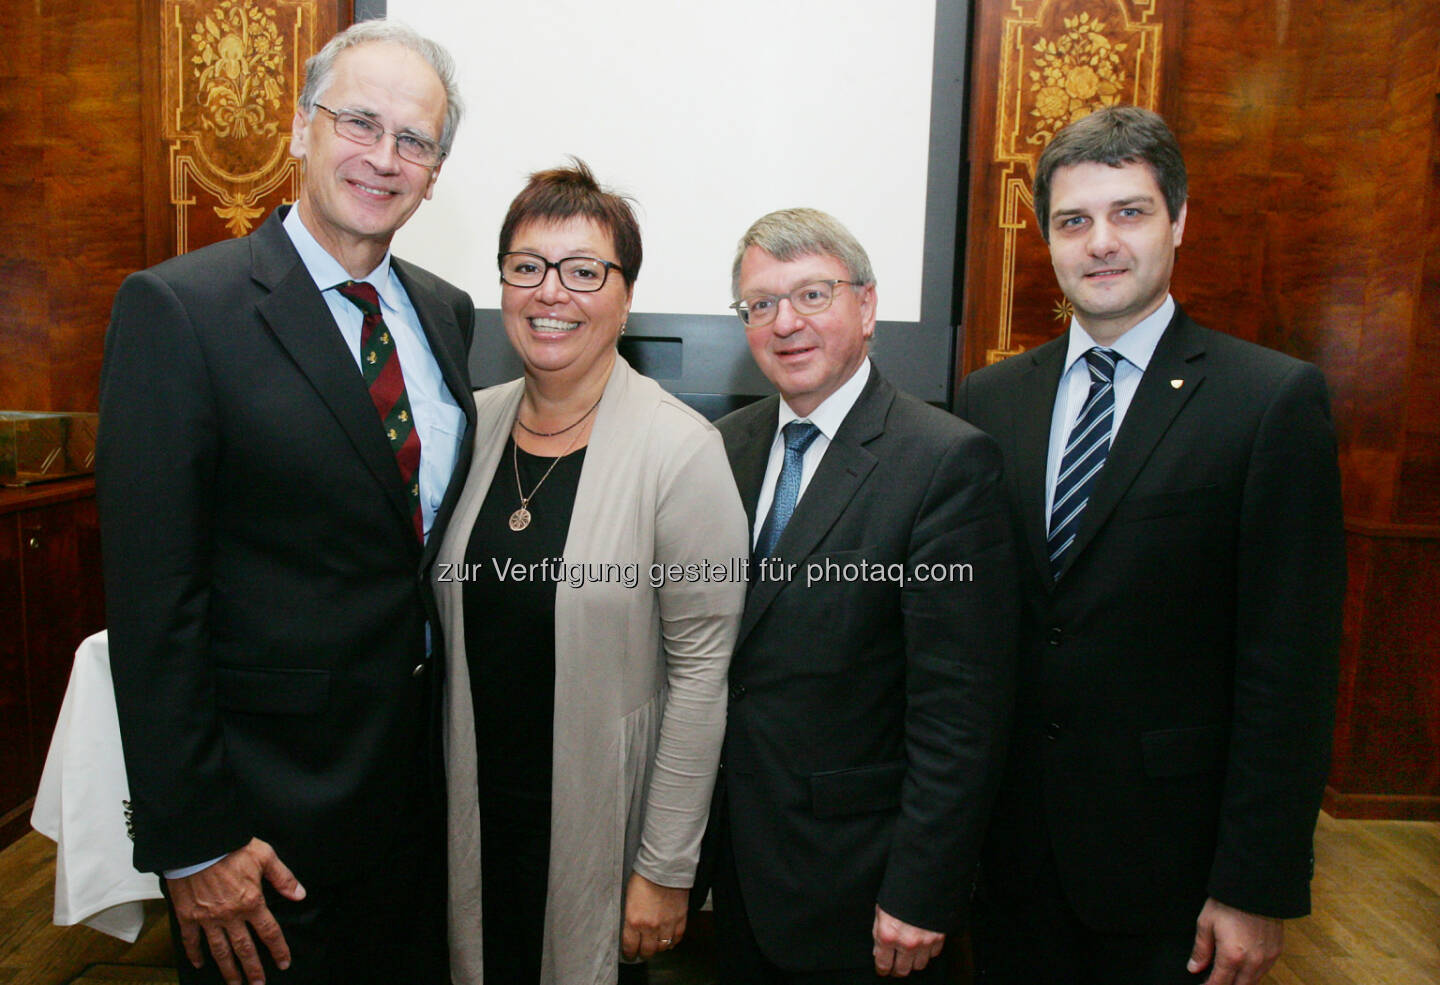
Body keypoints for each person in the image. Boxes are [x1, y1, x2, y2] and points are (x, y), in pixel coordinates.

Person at [96, 20, 473, 985]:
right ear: (301, 128)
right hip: (264, 834)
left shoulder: (442, 311)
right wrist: (195, 841)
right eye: (359, 122)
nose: (383, 158)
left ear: (436, 170)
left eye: (415, 140)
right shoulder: (180, 310)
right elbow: (152, 604)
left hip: (414, 804)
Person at [955, 106, 1345, 985]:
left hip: (1174, 873)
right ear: (1047, 239)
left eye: (1127, 212)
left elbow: (1291, 665)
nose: (1100, 242)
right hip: (1012, 863)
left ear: (1178, 220)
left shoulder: (1268, 402)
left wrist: (1257, 883)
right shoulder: (991, 399)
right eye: (1072, 220)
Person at [433, 159, 748, 985]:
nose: (551, 292)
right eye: (527, 267)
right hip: (467, 821)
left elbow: (702, 675)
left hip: (598, 838)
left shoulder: (682, 451)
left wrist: (666, 866)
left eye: (584, 271)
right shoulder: (468, 428)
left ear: (625, 294)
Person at [700, 208, 1018, 982]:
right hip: (739, 868)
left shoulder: (944, 462)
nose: (785, 323)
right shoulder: (723, 447)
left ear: (868, 306)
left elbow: (960, 712)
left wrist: (923, 889)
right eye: (761, 304)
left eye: (812, 294)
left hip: (865, 885)